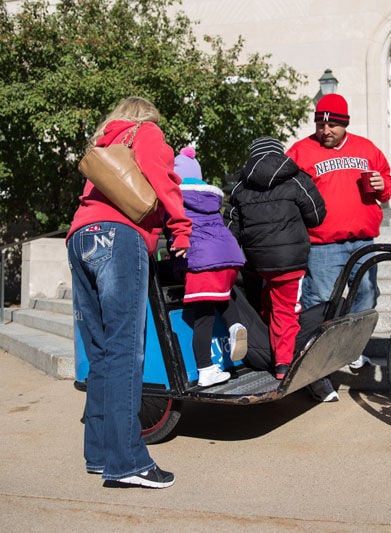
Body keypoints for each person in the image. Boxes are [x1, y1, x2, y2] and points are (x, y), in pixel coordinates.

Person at [66, 96, 192, 488]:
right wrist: (181, 229)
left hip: (80, 238)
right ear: (145, 116)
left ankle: (100, 454)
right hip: (119, 239)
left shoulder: (104, 142)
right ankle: (127, 462)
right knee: (124, 350)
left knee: (101, 352)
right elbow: (164, 182)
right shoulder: (147, 133)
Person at [286, 93, 391, 401]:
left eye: (332, 124)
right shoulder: (301, 151)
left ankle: (351, 350)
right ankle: (313, 376)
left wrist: (382, 185)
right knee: (319, 305)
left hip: (363, 241)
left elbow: (385, 184)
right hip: (322, 246)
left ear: (345, 123)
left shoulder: (367, 148)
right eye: (321, 124)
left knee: (366, 296)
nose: (326, 130)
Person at [226, 137, 326, 380]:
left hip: (258, 261)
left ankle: (265, 351)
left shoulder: (240, 187)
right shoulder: (297, 179)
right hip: (290, 260)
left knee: (268, 304)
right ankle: (283, 364)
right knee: (286, 310)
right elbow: (316, 216)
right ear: (279, 153)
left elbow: (230, 229)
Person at [172, 146, 247, 387]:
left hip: (202, 260)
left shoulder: (174, 197)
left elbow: (171, 228)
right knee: (224, 297)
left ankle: (205, 369)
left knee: (202, 317)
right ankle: (235, 325)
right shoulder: (210, 198)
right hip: (229, 257)